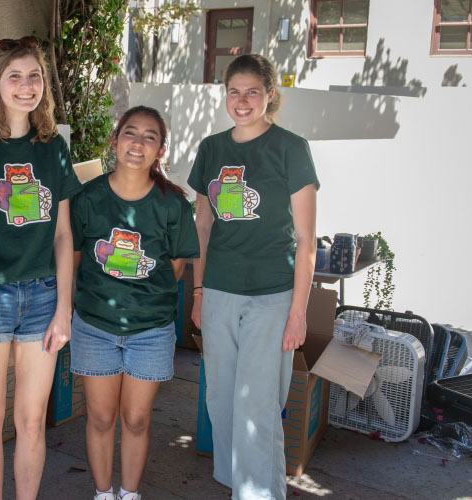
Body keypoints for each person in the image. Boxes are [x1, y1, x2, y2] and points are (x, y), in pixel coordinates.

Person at [0, 35, 82, 500]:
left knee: (30, 421)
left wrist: (64, 309)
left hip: (43, 295)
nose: (26, 86)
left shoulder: (53, 148)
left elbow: (63, 234)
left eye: (34, 76)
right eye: (15, 76)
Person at [188, 54, 318, 500]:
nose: (242, 101)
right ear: (224, 94)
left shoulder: (291, 148)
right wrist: (199, 291)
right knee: (221, 403)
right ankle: (236, 485)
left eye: (252, 92)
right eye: (234, 91)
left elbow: (306, 240)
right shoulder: (210, 149)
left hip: (272, 296)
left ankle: (260, 494)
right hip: (220, 290)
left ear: (269, 95)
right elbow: (202, 227)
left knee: (256, 407)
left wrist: (298, 312)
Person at [70, 105, 199, 500]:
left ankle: (130, 494)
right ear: (115, 139)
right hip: (95, 326)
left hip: (151, 329)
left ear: (160, 149)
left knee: (138, 419)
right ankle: (103, 493)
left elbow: (177, 266)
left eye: (150, 137)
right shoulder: (88, 197)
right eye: (130, 132)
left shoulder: (173, 204)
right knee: (101, 417)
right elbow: (73, 260)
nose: (138, 143)